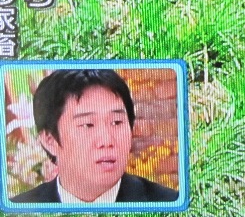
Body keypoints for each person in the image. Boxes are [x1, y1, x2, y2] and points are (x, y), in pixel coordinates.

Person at [10, 69, 179, 204]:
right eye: (87, 125)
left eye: (116, 122)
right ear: (49, 140)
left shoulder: (166, 202)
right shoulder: (22, 207)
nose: (107, 141)